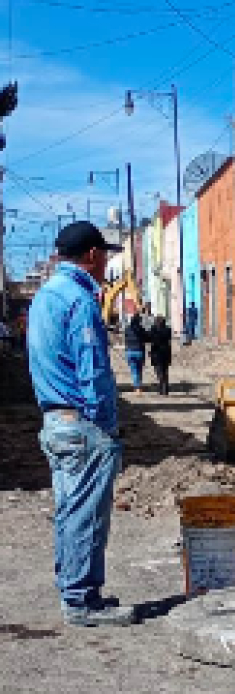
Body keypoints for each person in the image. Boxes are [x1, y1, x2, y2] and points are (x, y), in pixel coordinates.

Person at [26, 220, 136, 627]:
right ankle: (81, 600)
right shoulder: (80, 299)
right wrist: (106, 424)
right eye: (103, 253)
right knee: (86, 514)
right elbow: (92, 370)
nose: (106, 260)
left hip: (55, 420)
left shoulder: (44, 298)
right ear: (91, 254)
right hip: (82, 423)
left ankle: (74, 589)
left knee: (69, 510)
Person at [124, 312, 148, 393]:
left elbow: (125, 338)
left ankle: (137, 386)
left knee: (134, 370)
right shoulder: (141, 329)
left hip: (129, 351)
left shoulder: (127, 329)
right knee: (139, 369)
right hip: (139, 351)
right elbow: (146, 338)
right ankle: (139, 386)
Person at [149, 315, 172, 396]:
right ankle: (165, 389)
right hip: (166, 352)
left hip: (156, 353)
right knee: (165, 371)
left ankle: (162, 388)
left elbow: (150, 338)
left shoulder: (153, 329)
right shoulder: (168, 329)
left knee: (159, 372)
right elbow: (169, 339)